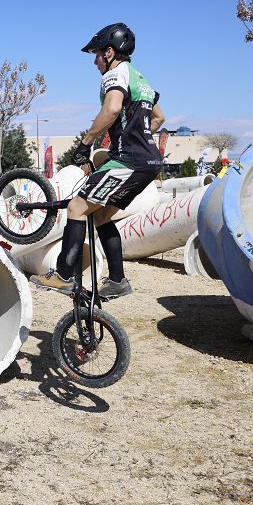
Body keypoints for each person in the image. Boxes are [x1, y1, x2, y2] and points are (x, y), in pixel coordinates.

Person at [31, 23, 165, 299]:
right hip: (149, 161)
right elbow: (159, 118)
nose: (94, 61)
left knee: (78, 206)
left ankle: (64, 275)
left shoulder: (115, 74)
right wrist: (139, 136)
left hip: (129, 160)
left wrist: (85, 143)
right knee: (102, 215)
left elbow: (113, 108)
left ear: (110, 52)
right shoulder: (141, 79)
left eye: (96, 55)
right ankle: (117, 280)